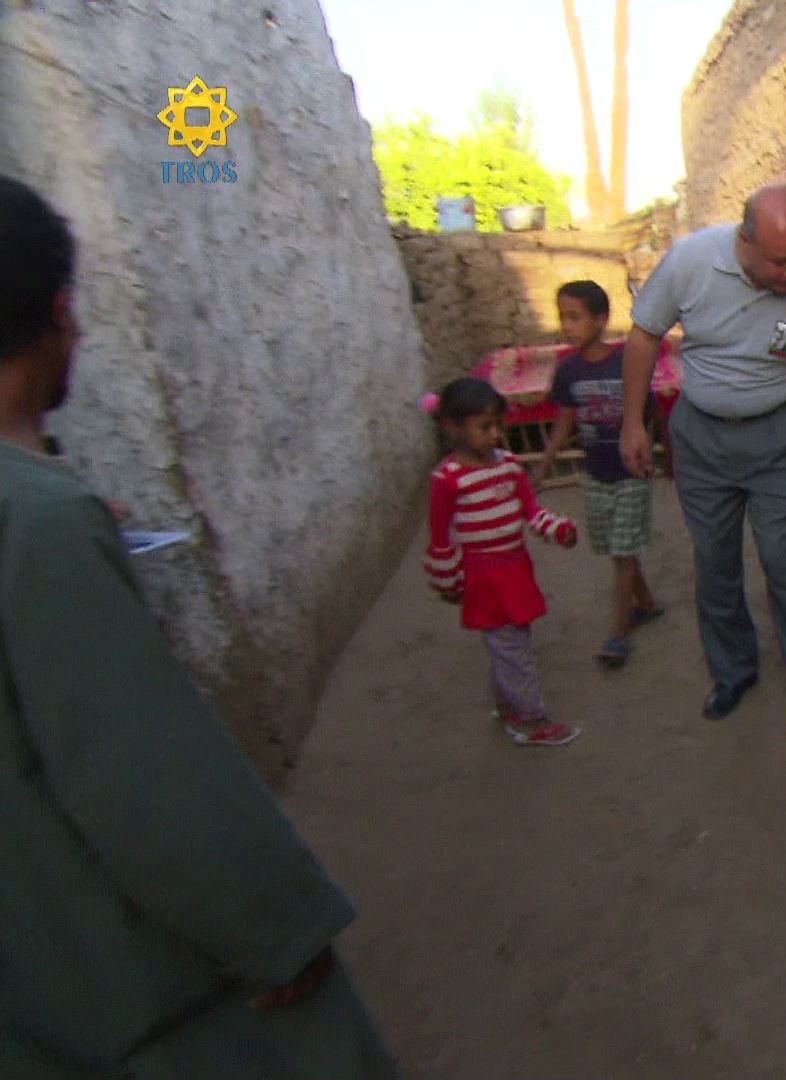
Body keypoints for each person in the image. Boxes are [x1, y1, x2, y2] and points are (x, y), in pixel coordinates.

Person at [0, 175, 394, 1076]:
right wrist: (277, 929)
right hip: (112, 993)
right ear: (60, 314)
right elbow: (139, 777)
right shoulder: (41, 525)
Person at [618, 183, 786, 740]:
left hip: (778, 440)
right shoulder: (692, 262)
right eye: (781, 261)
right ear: (745, 241)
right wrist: (631, 422)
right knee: (715, 560)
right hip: (701, 439)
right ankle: (733, 672)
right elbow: (644, 335)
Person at [424, 376, 582, 747]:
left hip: (515, 569)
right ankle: (532, 720)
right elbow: (440, 539)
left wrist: (558, 529)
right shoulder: (447, 480)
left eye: (498, 425)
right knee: (513, 649)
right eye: (485, 427)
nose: (495, 435)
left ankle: (509, 705)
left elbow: (531, 511)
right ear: (454, 427)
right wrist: (450, 583)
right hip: (485, 579)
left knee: (508, 644)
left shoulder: (508, 465)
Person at [539, 279, 664, 670]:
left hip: (631, 473)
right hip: (596, 475)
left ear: (601, 319)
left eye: (575, 317)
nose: (567, 326)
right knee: (617, 546)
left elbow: (654, 410)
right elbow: (564, 420)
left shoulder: (626, 362)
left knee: (622, 553)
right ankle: (646, 603)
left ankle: (618, 633)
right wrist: (544, 462)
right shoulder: (568, 371)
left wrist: (670, 455)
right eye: (563, 317)